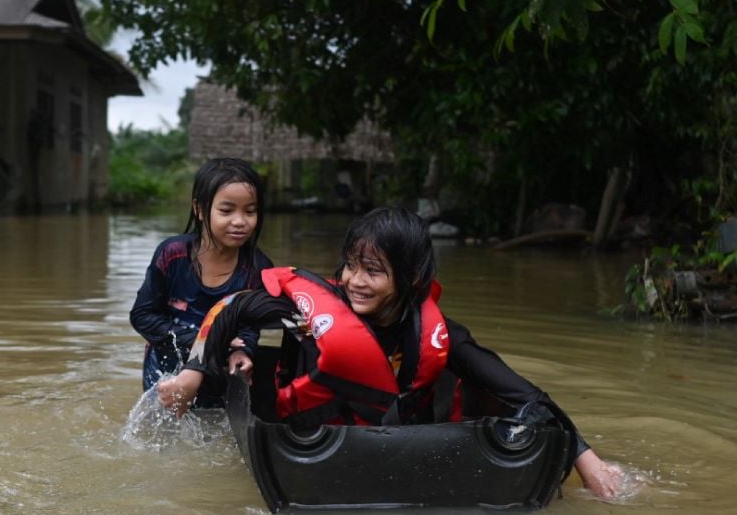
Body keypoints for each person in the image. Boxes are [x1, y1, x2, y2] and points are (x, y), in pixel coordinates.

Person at [157, 206, 623, 498]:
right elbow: (231, 309)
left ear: (412, 281)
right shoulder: (309, 311)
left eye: (374, 271)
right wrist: (194, 374)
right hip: (311, 446)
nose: (356, 281)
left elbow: (525, 395)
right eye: (352, 266)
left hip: (400, 455)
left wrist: (586, 459)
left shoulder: (443, 337)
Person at [129, 157, 273, 406]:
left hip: (218, 373)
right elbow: (142, 316)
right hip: (163, 369)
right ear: (199, 209)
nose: (240, 221)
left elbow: (249, 326)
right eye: (227, 211)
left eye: (250, 211)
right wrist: (199, 340)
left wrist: (244, 350)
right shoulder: (172, 255)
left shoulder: (258, 269)